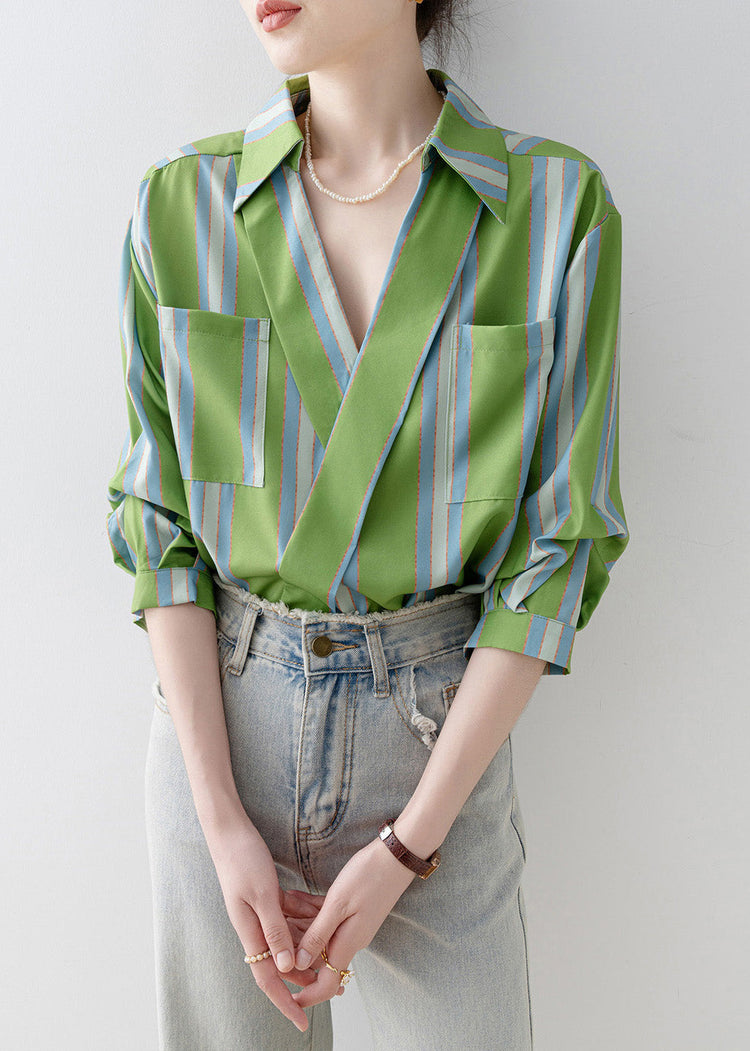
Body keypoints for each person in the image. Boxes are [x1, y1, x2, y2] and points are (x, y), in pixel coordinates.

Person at [105, 0, 628, 1047]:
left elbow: (559, 547)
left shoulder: (553, 208)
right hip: (223, 738)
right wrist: (220, 823)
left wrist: (409, 845)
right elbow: (157, 523)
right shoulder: (182, 203)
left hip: (438, 750)